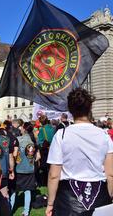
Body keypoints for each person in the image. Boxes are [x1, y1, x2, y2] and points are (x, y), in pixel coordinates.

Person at [46, 88, 113, 216]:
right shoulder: (104, 135)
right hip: (99, 197)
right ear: (90, 108)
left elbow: (54, 175)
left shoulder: (62, 135)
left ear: (70, 110)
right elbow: (110, 173)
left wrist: (50, 203)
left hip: (68, 200)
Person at [11, 122, 39, 216]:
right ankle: (26, 212)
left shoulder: (18, 140)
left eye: (21, 128)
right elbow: (38, 157)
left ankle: (10, 209)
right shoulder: (33, 141)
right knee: (27, 191)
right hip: (29, 169)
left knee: (14, 191)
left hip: (19, 168)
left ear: (24, 129)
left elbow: (14, 154)